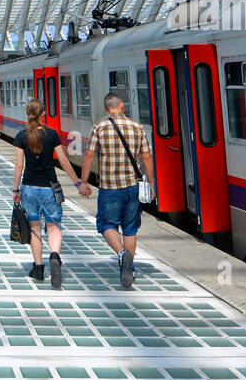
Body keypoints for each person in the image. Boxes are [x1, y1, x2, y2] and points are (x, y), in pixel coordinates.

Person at [78, 92, 154, 289]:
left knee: (107, 224)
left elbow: (89, 154)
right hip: (133, 187)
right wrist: (151, 183)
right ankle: (129, 268)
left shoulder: (100, 127)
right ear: (122, 106)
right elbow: (146, 157)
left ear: (106, 109)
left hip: (110, 187)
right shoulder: (137, 127)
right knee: (130, 227)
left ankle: (122, 255)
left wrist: (83, 181)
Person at [12, 99, 79, 289]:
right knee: (53, 226)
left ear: (27, 114)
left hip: (29, 187)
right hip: (50, 187)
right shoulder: (52, 135)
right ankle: (55, 257)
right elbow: (64, 162)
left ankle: (38, 268)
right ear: (43, 114)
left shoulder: (21, 136)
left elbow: (19, 166)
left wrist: (16, 189)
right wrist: (78, 183)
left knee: (35, 228)